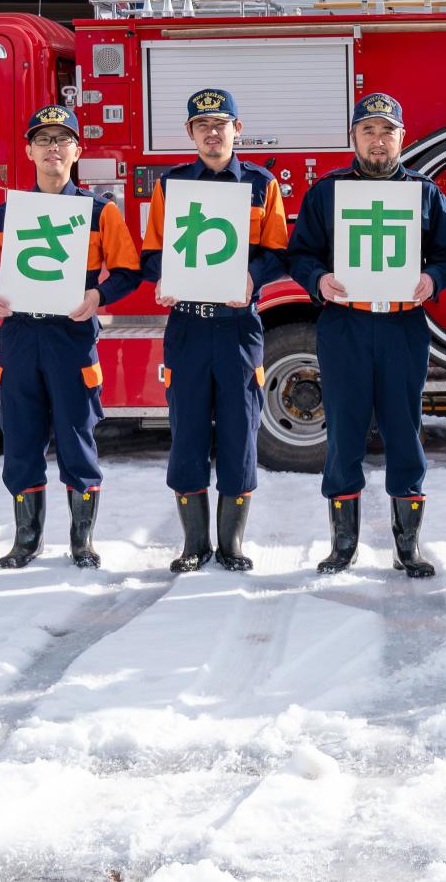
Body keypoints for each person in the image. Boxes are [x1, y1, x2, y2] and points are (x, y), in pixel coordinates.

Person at [286, 92, 446, 579]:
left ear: (402, 138)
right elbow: (300, 254)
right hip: (346, 325)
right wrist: (318, 280)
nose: (378, 141)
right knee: (343, 434)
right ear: (353, 138)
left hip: (403, 326)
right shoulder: (327, 193)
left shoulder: (426, 194)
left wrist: (434, 279)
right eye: (369, 131)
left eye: (388, 131)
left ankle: (408, 547)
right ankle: (343, 545)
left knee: (404, 433)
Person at [0, 105, 142, 569]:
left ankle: (81, 540)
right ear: (28, 150)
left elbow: (129, 270)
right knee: (21, 438)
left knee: (76, 435)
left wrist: (99, 294)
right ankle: (27, 540)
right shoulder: (6, 214)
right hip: (21, 335)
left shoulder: (100, 212)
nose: (53, 148)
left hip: (71, 335)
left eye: (62, 140)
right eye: (43, 140)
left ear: (77, 151)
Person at [138, 88, 291, 574]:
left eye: (221, 123)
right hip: (187, 326)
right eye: (201, 125)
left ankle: (232, 544)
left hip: (237, 329)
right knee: (185, 432)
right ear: (190, 133)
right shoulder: (172, 186)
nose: (212, 132)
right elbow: (151, 252)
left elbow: (279, 252)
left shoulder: (263, 186)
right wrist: (162, 276)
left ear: (236, 130)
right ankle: (193, 544)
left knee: (239, 432)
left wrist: (252, 278)